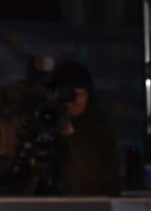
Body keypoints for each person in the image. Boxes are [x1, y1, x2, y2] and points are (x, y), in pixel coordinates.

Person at [49, 60, 121, 196]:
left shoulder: (99, 126)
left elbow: (93, 178)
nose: (75, 102)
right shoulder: (48, 119)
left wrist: (71, 135)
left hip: (91, 206)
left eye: (80, 95)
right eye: (69, 95)